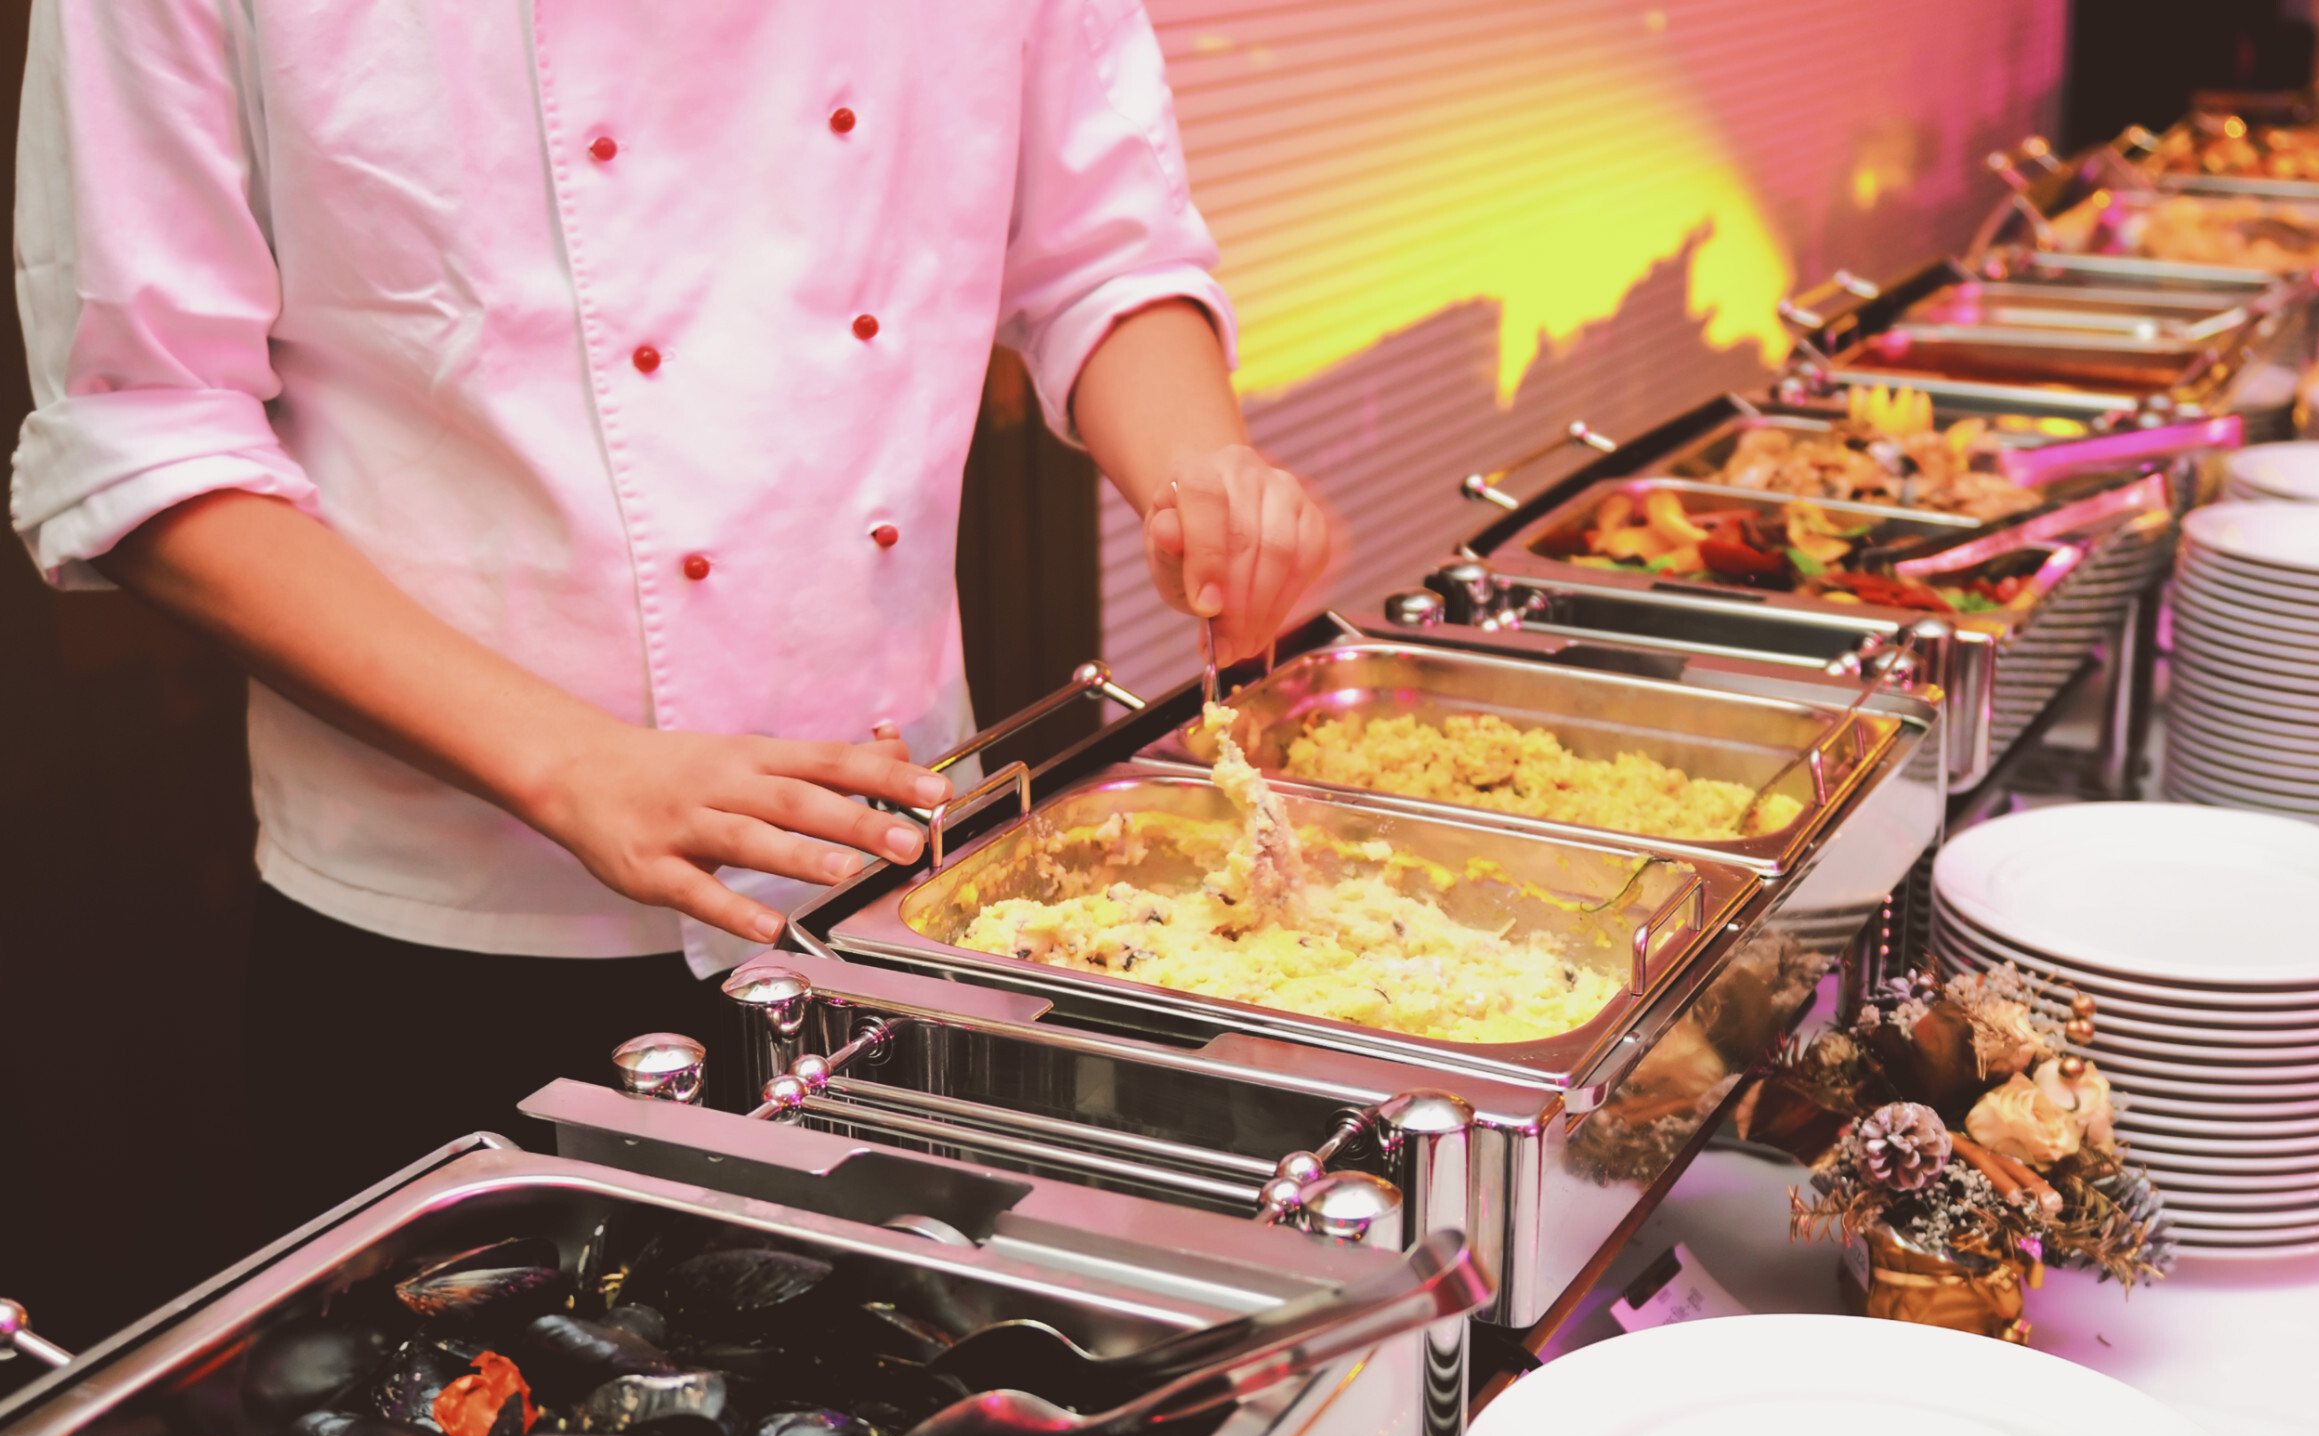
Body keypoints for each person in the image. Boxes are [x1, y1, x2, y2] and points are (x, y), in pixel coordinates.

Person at [9, 2, 1329, 1225]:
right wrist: (575, 764)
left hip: (903, 891)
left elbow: (1104, 241)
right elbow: (142, 431)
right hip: (457, 949)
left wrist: (1197, 470)